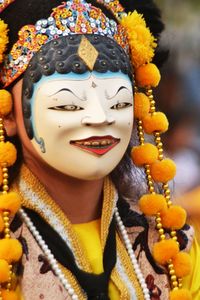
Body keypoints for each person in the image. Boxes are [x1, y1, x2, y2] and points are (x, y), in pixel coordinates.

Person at [0, 0, 199, 299]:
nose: (100, 117)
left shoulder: (171, 246)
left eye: (117, 102)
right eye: (68, 104)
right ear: (9, 114)